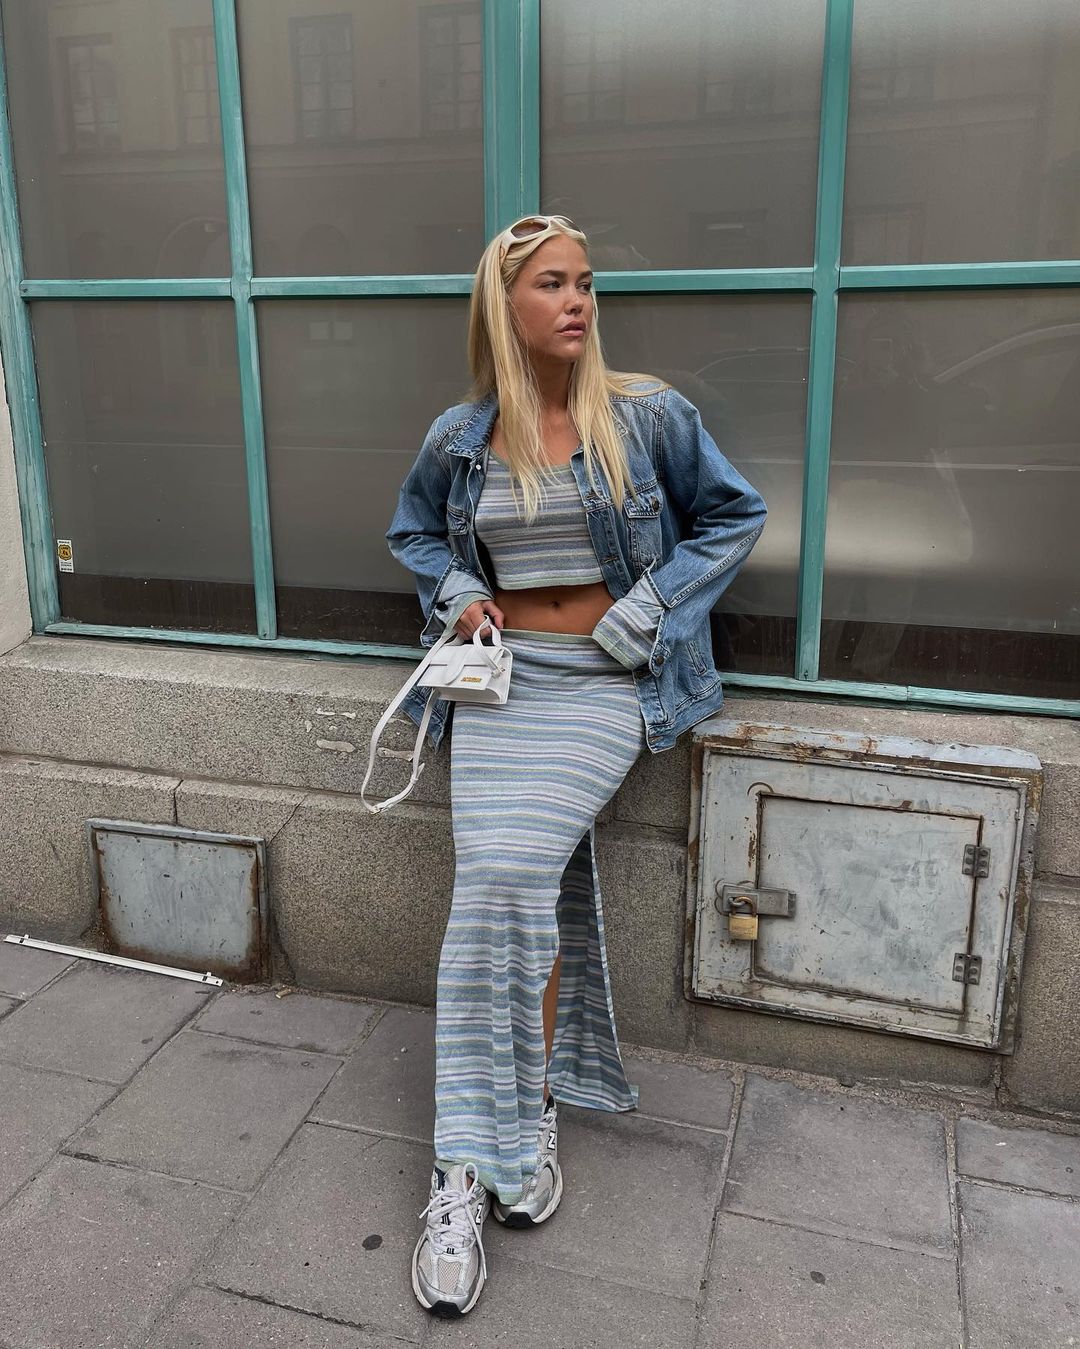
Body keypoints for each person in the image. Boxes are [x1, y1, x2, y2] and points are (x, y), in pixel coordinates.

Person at [384, 214, 767, 1317]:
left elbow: (733, 516)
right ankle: (497, 1144)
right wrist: (463, 593)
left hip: (605, 683)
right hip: (507, 687)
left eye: (586, 284)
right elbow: (416, 533)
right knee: (515, 885)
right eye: (553, 284)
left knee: (501, 874)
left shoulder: (647, 416)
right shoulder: (462, 438)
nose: (578, 302)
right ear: (503, 305)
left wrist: (647, 610)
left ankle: (468, 1155)